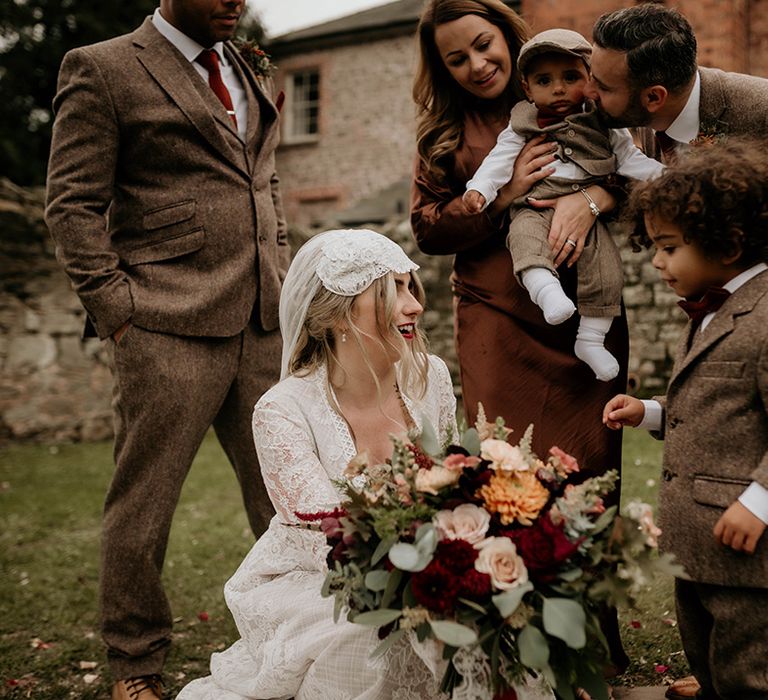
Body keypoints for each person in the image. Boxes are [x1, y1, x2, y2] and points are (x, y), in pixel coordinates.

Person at [178, 229, 542, 699]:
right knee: (366, 634)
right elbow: (327, 538)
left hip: (423, 555)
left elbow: (452, 480)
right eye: (393, 292)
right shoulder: (282, 409)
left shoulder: (429, 376)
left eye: (412, 288)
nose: (414, 305)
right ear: (337, 315)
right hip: (323, 577)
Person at [44, 1, 288, 697]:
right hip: (163, 321)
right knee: (144, 507)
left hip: (263, 321)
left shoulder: (244, 62)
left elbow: (263, 179)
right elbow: (71, 204)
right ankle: (136, 664)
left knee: (290, 498)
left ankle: (299, 640)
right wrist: (119, 311)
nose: (235, 1)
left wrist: (282, 268)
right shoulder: (104, 67)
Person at [411, 0, 631, 677]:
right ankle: (520, 645)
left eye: (485, 45)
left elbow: (631, 167)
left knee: (591, 476)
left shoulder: (575, 86)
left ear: (509, 37)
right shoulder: (444, 133)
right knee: (509, 475)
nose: (478, 65)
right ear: (442, 70)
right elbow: (427, 228)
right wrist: (502, 199)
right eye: (458, 59)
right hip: (498, 317)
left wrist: (590, 199)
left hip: (585, 316)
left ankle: (594, 640)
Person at [588, 7, 768, 697]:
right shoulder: (627, 123)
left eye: (602, 87)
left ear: (653, 97)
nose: (588, 96)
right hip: (721, 308)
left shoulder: (755, 112)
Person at [463, 28, 663, 381]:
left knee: (606, 270)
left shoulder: (604, 123)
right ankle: (545, 290)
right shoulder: (522, 124)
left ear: (590, 78)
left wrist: (663, 176)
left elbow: (628, 158)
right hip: (533, 203)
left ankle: (591, 339)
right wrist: (481, 188)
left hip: (589, 214)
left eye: (570, 77)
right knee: (524, 239)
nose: (557, 89)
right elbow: (499, 159)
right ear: (527, 88)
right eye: (544, 80)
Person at [587, 3, 768, 162]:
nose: (588, 91)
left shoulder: (761, 113)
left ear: (653, 97)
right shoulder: (645, 113)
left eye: (603, 87)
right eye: (591, 77)